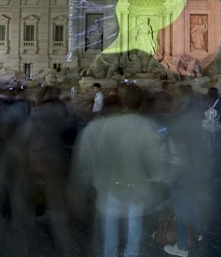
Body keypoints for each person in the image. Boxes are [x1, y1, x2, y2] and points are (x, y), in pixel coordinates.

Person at [69, 84, 166, 257]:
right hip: (137, 182)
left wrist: (99, 179)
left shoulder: (110, 124)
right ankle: (131, 253)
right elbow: (154, 158)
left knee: (110, 222)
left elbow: (103, 154)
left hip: (114, 182)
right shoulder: (147, 124)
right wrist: (158, 176)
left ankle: (110, 253)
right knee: (134, 223)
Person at [163, 85, 205, 257]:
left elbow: (170, 135)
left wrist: (160, 132)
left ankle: (181, 246)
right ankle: (198, 232)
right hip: (192, 166)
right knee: (191, 202)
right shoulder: (193, 113)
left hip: (180, 168)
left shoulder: (179, 117)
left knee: (180, 209)